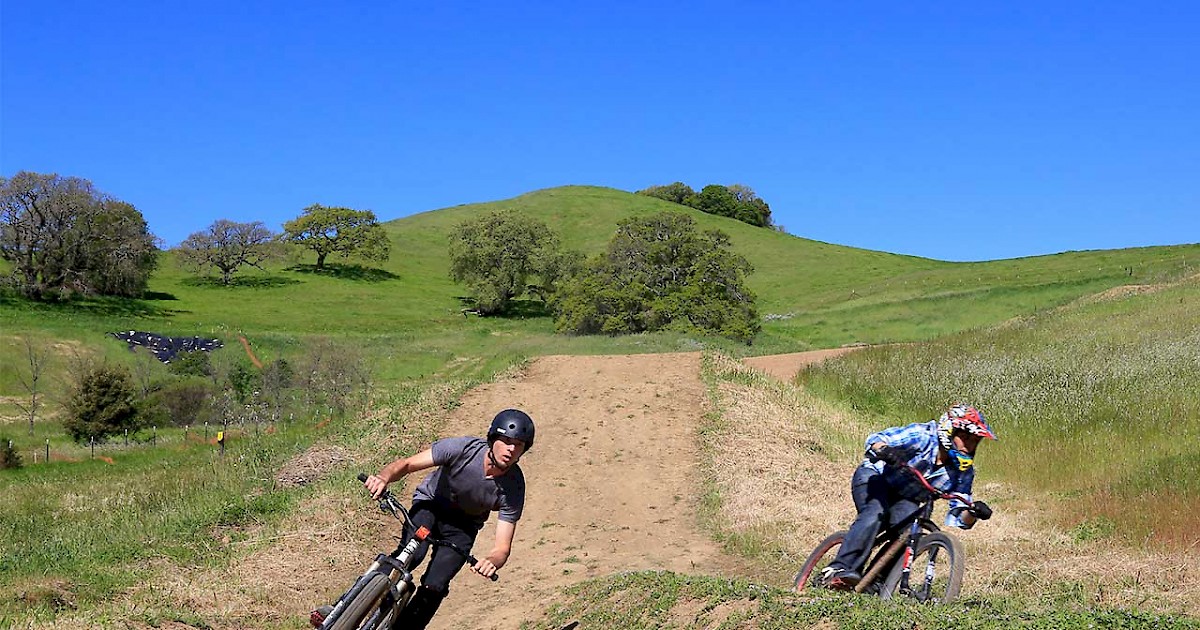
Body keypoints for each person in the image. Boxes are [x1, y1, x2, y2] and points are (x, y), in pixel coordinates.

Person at [313, 408, 534, 629]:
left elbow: (502, 548)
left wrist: (491, 562)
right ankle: (341, 607)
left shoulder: (513, 487)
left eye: (519, 445)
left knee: (435, 585)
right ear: (492, 438)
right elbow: (407, 464)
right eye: (505, 440)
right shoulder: (463, 449)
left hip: (463, 527)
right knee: (409, 554)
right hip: (431, 506)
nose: (511, 449)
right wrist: (383, 478)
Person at [820, 403, 996, 590]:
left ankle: (875, 581)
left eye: (975, 441)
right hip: (875, 477)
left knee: (911, 533)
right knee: (875, 512)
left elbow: (960, 515)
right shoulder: (923, 436)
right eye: (966, 438)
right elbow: (876, 439)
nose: (970, 445)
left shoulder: (964, 472)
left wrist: (974, 512)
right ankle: (837, 569)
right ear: (949, 431)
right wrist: (885, 450)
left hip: (906, 497)